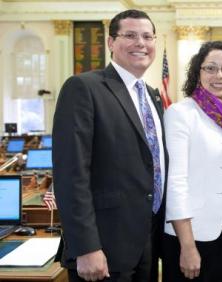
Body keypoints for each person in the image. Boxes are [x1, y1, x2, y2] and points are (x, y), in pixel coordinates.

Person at [53, 9, 168, 281]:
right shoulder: (84, 88)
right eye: (130, 35)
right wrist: (86, 246)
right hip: (103, 248)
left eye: (147, 36)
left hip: (147, 243)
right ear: (110, 43)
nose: (141, 43)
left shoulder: (152, 97)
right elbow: (71, 174)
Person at [162, 40, 222, 282]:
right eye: (210, 68)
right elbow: (175, 182)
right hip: (194, 235)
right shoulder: (181, 114)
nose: (219, 75)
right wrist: (187, 246)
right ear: (197, 72)